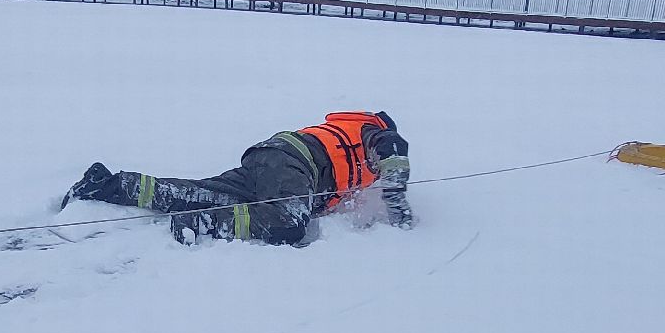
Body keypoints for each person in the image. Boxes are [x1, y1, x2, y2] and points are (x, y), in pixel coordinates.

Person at [62, 111, 413, 244]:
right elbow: (389, 146)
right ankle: (199, 225)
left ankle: (110, 184)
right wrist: (397, 198)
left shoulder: (364, 164)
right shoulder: (375, 129)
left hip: (270, 158)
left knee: (202, 192)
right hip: (294, 163)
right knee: (288, 224)